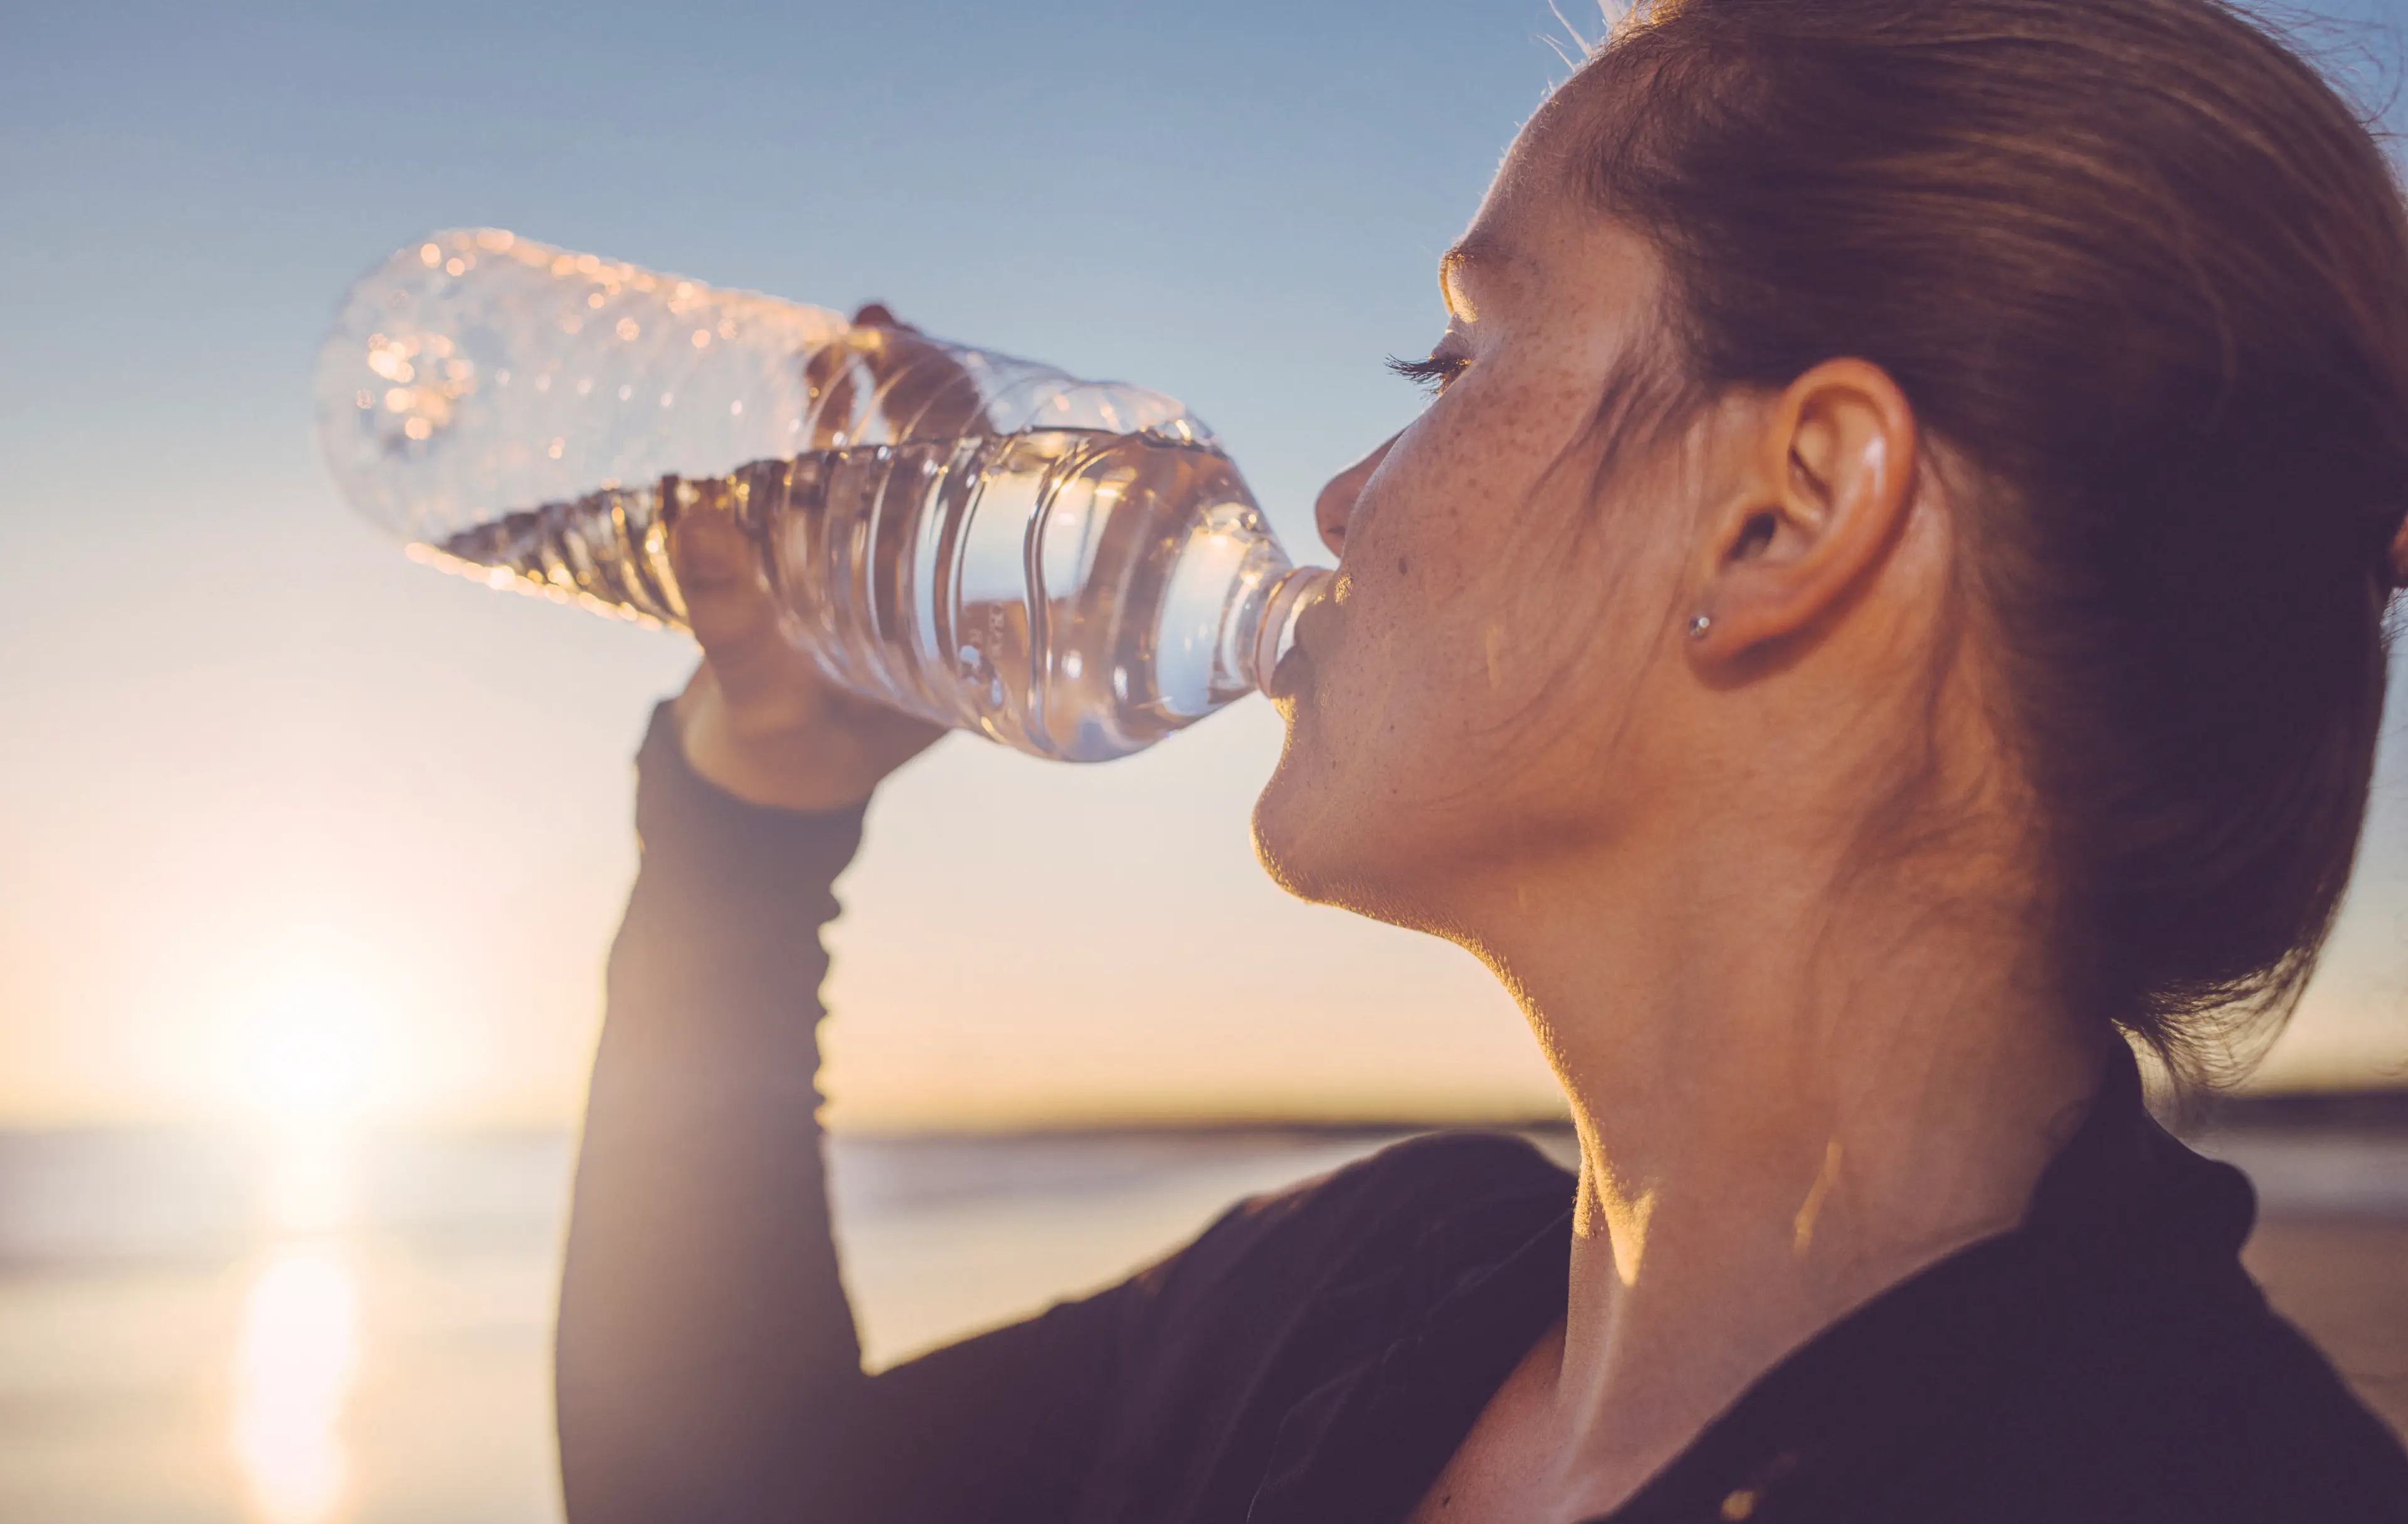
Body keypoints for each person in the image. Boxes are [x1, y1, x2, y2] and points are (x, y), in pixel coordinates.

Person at [552, 1, 2408, 1518]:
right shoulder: (1362, 1288)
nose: (1344, 498)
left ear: (1785, 516)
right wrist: (752, 813)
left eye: (1448, 360)